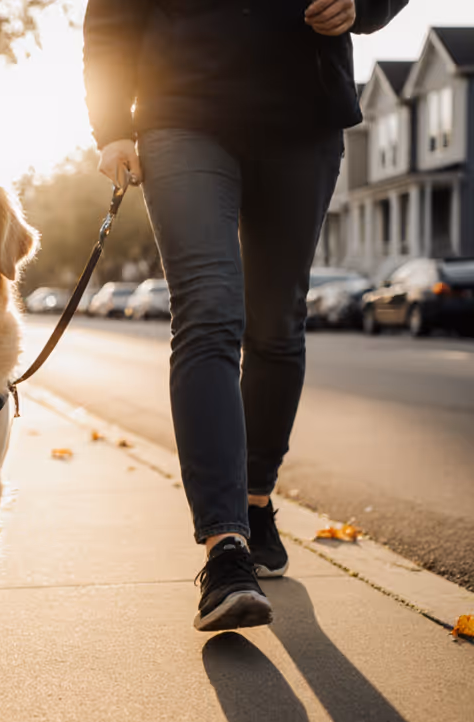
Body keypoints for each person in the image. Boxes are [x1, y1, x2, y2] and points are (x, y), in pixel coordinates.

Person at [83, 0, 408, 631]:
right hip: (182, 114)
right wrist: (111, 127)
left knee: (277, 324)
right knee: (207, 312)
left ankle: (257, 499)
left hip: (303, 116)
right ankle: (226, 548)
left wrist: (363, 6)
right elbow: (111, 16)